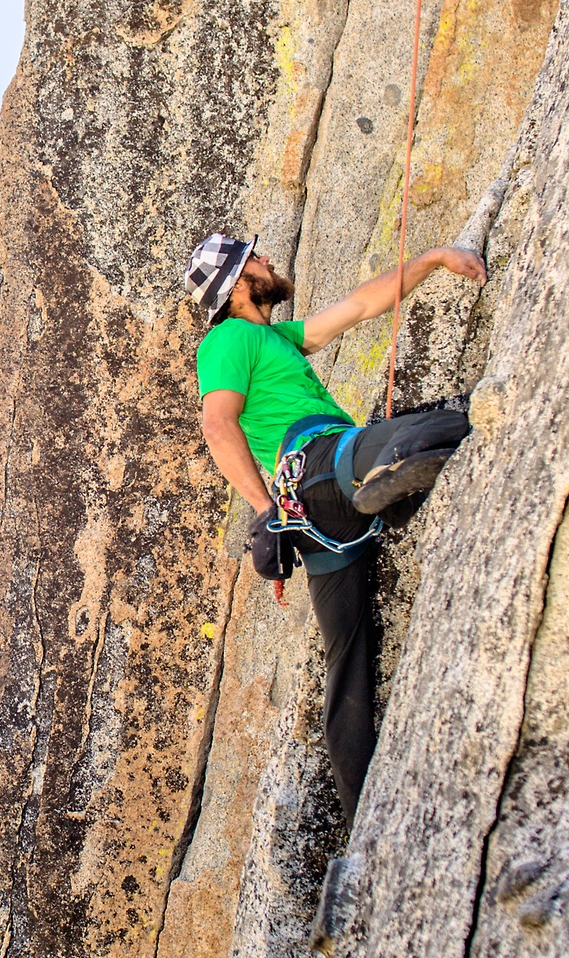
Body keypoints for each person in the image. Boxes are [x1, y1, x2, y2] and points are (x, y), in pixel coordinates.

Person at [185, 233, 486, 816]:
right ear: (238, 283)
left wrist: (431, 258)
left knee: (346, 671)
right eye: (256, 259)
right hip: (316, 468)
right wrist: (263, 511)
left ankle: (362, 825)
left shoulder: (276, 339)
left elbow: (359, 306)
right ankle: (384, 481)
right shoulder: (228, 338)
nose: (269, 260)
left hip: (315, 522)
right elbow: (218, 425)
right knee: (440, 427)